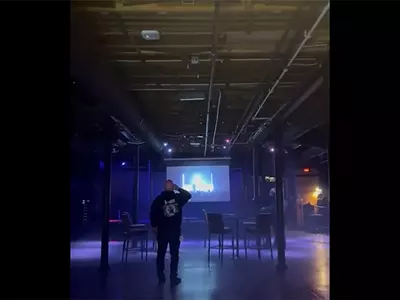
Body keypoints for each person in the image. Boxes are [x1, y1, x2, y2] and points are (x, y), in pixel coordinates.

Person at [150, 179, 192, 286]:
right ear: (173, 186)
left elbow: (152, 213)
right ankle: (173, 277)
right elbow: (188, 195)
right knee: (174, 255)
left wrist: (154, 226)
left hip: (162, 231)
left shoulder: (158, 199)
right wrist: (178, 188)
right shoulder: (178, 198)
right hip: (174, 231)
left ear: (164, 187)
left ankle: (161, 276)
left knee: (161, 254)